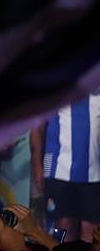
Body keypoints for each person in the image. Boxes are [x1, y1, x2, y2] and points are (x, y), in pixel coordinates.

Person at [30, 89, 100, 242]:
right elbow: (37, 127)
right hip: (57, 170)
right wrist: (37, 165)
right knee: (63, 226)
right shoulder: (57, 87)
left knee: (91, 229)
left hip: (94, 173)